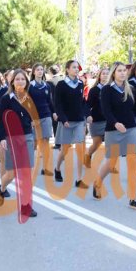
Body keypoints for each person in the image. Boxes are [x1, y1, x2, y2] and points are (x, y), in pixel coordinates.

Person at [93, 63, 136, 210]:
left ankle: (133, 198)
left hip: (130, 129)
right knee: (111, 163)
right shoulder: (106, 89)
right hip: (113, 129)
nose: (122, 73)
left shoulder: (130, 88)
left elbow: (133, 108)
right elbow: (106, 110)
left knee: (133, 162)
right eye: (119, 71)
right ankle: (97, 183)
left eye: (124, 71)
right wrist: (115, 123)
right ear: (113, 73)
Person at [0, 69, 38, 217]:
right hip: (11, 138)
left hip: (27, 137)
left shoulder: (29, 97)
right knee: (11, 174)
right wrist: (2, 138)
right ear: (12, 82)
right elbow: (1, 120)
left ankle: (26, 205)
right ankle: (2, 188)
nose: (20, 81)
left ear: (26, 82)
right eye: (17, 79)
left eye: (23, 79)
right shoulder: (6, 99)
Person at [53, 60, 89, 188]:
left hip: (79, 121)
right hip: (66, 122)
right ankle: (57, 168)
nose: (76, 69)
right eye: (74, 67)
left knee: (80, 149)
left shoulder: (80, 83)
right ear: (67, 69)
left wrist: (87, 114)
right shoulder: (61, 85)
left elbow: (83, 102)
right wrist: (63, 119)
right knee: (65, 150)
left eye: (77, 67)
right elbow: (57, 104)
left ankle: (79, 179)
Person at [28, 63, 57, 177]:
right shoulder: (29, 86)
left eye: (41, 69)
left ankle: (45, 168)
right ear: (34, 72)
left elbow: (50, 101)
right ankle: (28, 166)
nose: (40, 71)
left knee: (46, 140)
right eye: (38, 70)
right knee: (34, 142)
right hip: (34, 117)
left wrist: (53, 112)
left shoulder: (47, 86)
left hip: (46, 115)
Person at [85, 67, 109, 169]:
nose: (105, 75)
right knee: (96, 144)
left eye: (107, 73)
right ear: (99, 76)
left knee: (111, 143)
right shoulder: (94, 90)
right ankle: (87, 155)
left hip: (110, 121)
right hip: (96, 121)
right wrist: (88, 115)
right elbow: (87, 105)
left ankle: (110, 164)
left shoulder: (112, 89)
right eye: (103, 73)